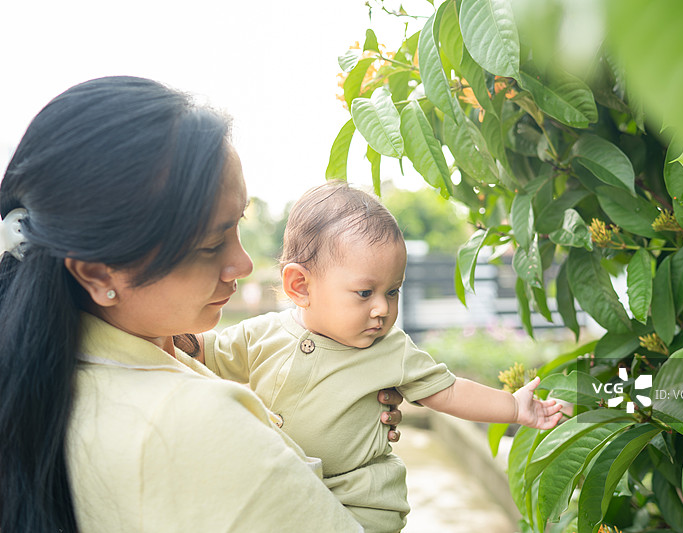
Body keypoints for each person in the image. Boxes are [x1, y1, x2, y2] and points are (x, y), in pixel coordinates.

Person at [0, 76, 404, 533]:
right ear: (97, 274)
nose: (244, 263)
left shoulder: (52, 369)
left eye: (238, 224)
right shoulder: (189, 423)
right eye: (212, 245)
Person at [200, 181, 564, 533]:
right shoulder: (262, 333)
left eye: (393, 291)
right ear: (300, 286)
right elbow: (205, 351)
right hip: (285, 496)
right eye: (364, 292)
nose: (382, 308)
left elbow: (449, 392)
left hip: (360, 501)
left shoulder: (392, 350)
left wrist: (514, 408)